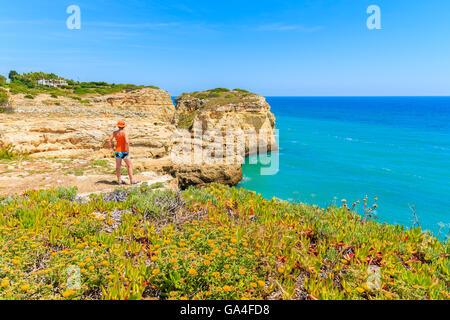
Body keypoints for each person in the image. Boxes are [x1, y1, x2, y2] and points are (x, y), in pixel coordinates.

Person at [108, 121, 136, 185]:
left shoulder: (115, 133)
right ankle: (132, 180)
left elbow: (109, 140)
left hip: (117, 151)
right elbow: (126, 142)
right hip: (124, 151)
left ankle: (119, 181)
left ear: (118, 126)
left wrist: (112, 148)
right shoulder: (124, 132)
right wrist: (127, 150)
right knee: (129, 165)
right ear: (124, 126)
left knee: (118, 166)